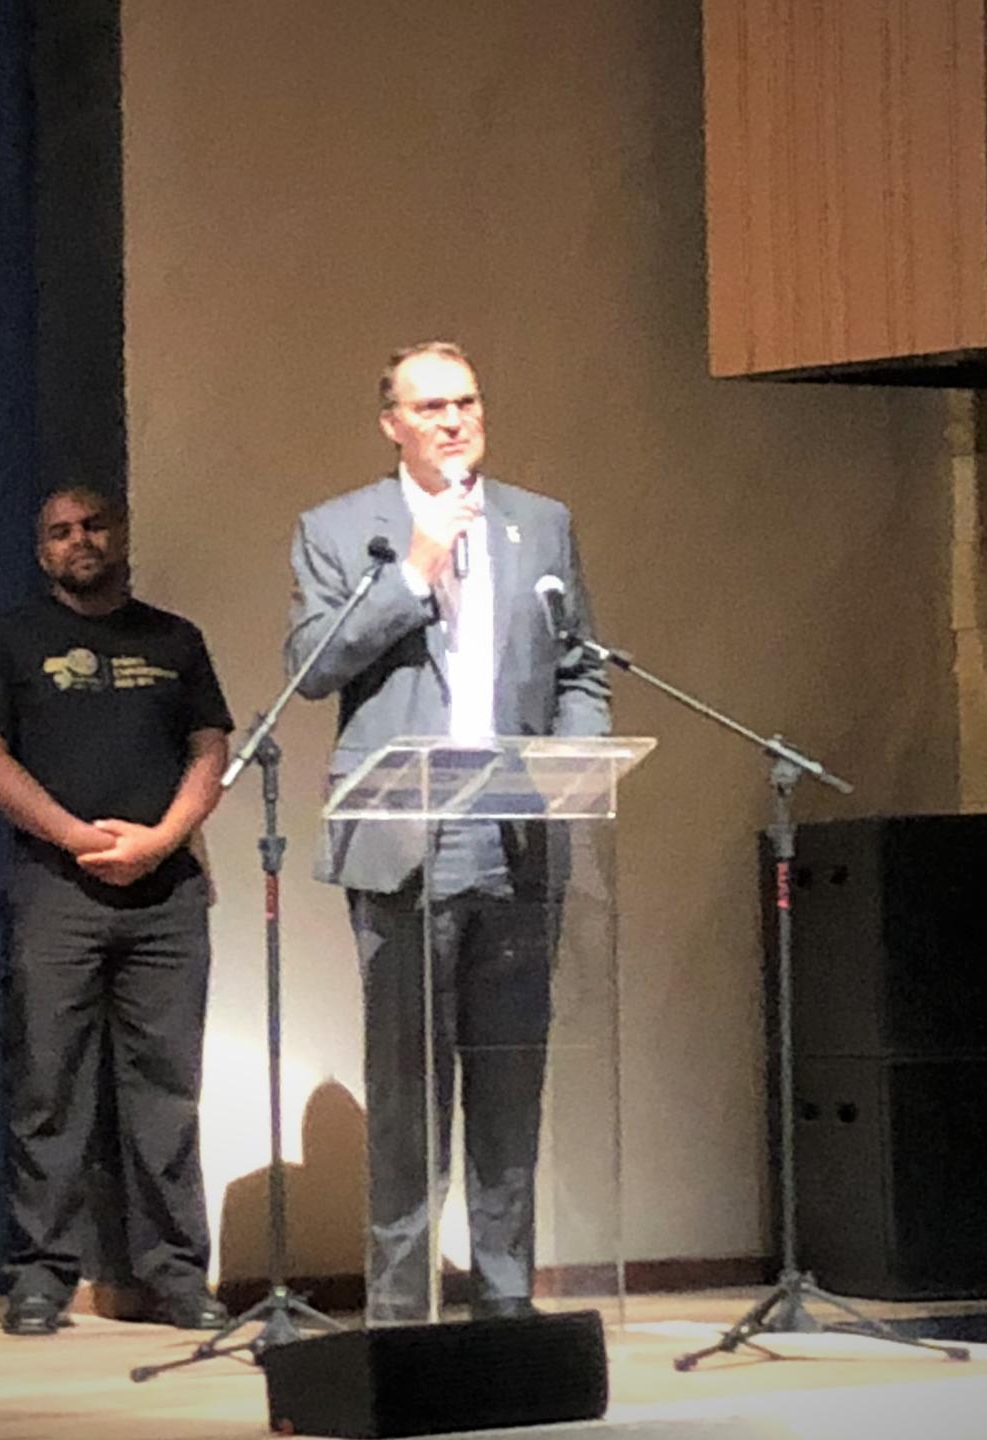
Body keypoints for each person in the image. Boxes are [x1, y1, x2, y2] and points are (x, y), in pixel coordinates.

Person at [284, 341, 611, 1322]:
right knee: (409, 1094)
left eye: (467, 401)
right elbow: (312, 667)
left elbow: (582, 669)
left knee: (511, 1089)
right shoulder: (341, 530)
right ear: (392, 423)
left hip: (517, 836)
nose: (455, 420)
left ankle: (507, 1303)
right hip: (404, 840)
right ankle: (401, 1313)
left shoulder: (539, 525)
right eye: (430, 407)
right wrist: (413, 577)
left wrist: (574, 766)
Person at [0, 483, 234, 1336]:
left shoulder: (174, 639)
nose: (80, 539)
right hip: (57, 891)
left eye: (94, 525)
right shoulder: (12, 639)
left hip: (167, 898)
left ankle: (178, 1278)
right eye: (60, 531)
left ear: (119, 535)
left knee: (166, 1092)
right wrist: (78, 836)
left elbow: (211, 746)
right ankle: (43, 1276)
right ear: (42, 551)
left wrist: (161, 838)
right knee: (48, 1086)